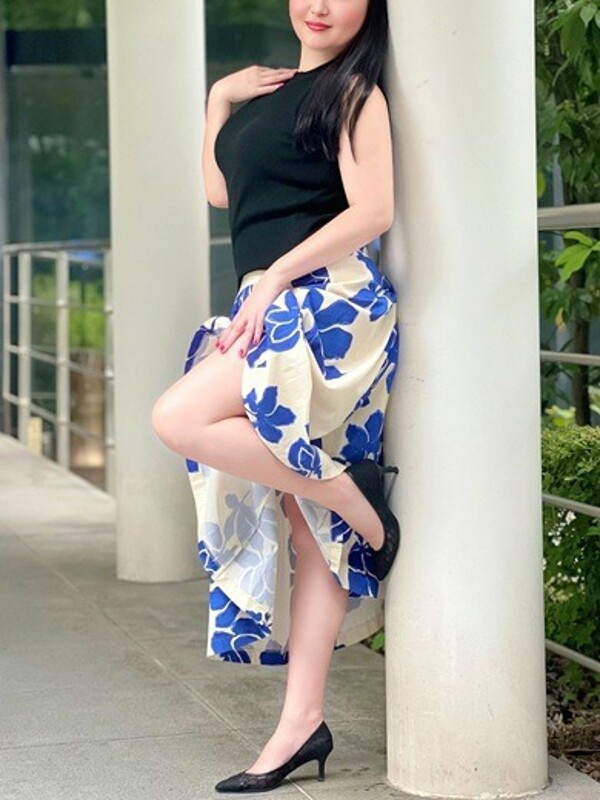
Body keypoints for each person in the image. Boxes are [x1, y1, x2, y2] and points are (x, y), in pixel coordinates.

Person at [151, 0, 401, 792]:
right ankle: (303, 724)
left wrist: (281, 275)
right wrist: (217, 100)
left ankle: (354, 497)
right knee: (306, 525)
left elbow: (375, 209)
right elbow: (222, 191)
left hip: (326, 302)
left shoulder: (354, 93)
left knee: (178, 416)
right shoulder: (270, 93)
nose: (320, 5)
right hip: (272, 301)